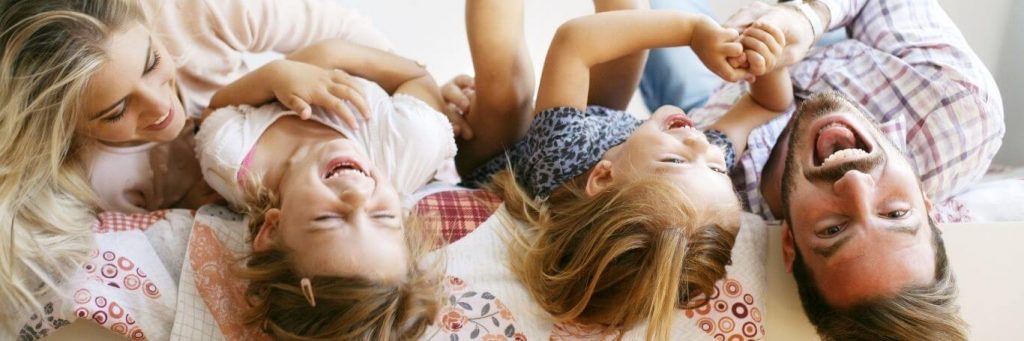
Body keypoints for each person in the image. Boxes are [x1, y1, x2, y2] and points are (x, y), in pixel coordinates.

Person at [0, 0, 392, 324]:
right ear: (65, 126)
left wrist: (416, 95)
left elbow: (345, 33)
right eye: (116, 111)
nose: (160, 107)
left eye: (152, 63)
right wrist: (192, 204)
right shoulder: (100, 181)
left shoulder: (196, 13)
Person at [645, 0, 1004, 339]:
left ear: (789, 243)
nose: (855, 182)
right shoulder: (958, 107)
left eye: (833, 229)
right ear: (929, 207)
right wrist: (807, 18)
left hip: (709, 112)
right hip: (833, 45)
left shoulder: (712, 197)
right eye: (896, 213)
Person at [448, 0, 795, 338]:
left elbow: (573, 43)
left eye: (674, 161)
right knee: (630, 19)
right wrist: (766, 59)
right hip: (605, 134)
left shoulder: (561, 155)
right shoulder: (701, 173)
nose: (700, 143)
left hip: (502, 157)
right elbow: (767, 104)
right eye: (718, 168)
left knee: (509, 88)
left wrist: (692, 32)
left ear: (603, 177)